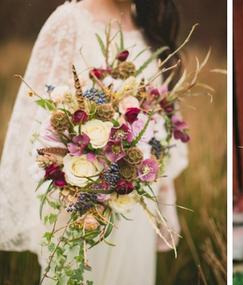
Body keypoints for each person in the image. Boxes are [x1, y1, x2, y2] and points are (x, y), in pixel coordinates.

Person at [0, 0, 188, 284]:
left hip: (134, 204)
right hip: (80, 207)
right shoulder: (70, 21)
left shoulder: (146, 24)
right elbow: (34, 122)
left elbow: (160, 122)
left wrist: (161, 193)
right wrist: (81, 176)